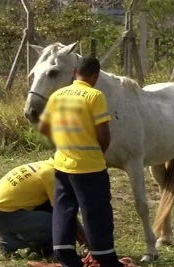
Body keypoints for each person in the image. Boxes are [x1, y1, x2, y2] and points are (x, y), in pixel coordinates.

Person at [38, 56, 124, 267]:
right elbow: (103, 134)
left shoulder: (57, 95)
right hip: (89, 166)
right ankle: (104, 256)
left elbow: (44, 128)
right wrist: (97, 150)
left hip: (62, 164)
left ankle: (66, 256)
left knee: (64, 209)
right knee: (96, 211)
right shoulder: (95, 96)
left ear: (75, 72)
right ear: (95, 75)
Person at [0, 158, 86, 258]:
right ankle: (6, 241)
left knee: (49, 214)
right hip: (1, 216)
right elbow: (64, 213)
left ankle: (42, 248)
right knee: (55, 223)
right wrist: (85, 241)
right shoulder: (52, 176)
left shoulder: (46, 166)